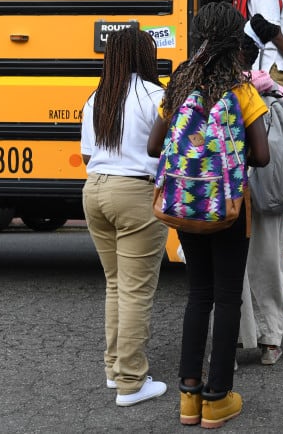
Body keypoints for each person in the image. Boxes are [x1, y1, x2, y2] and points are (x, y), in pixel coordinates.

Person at [147, 2, 270, 428]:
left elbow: (152, 147)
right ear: (237, 41)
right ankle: (218, 397)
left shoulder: (179, 84)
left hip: (185, 206)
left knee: (198, 294)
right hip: (231, 208)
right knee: (227, 295)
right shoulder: (241, 90)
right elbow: (264, 155)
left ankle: (188, 396)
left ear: (199, 35)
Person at [80, 27, 169, 407]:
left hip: (94, 190)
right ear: (143, 56)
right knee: (136, 291)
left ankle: (114, 370)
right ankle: (132, 382)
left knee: (115, 284)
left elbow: (86, 155)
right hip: (134, 191)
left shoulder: (97, 97)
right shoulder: (156, 95)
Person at [235, 15, 283, 365]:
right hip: (272, 185)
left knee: (234, 267)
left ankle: (239, 335)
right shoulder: (274, 88)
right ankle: (271, 339)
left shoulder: (224, 89)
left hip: (232, 187)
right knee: (270, 261)